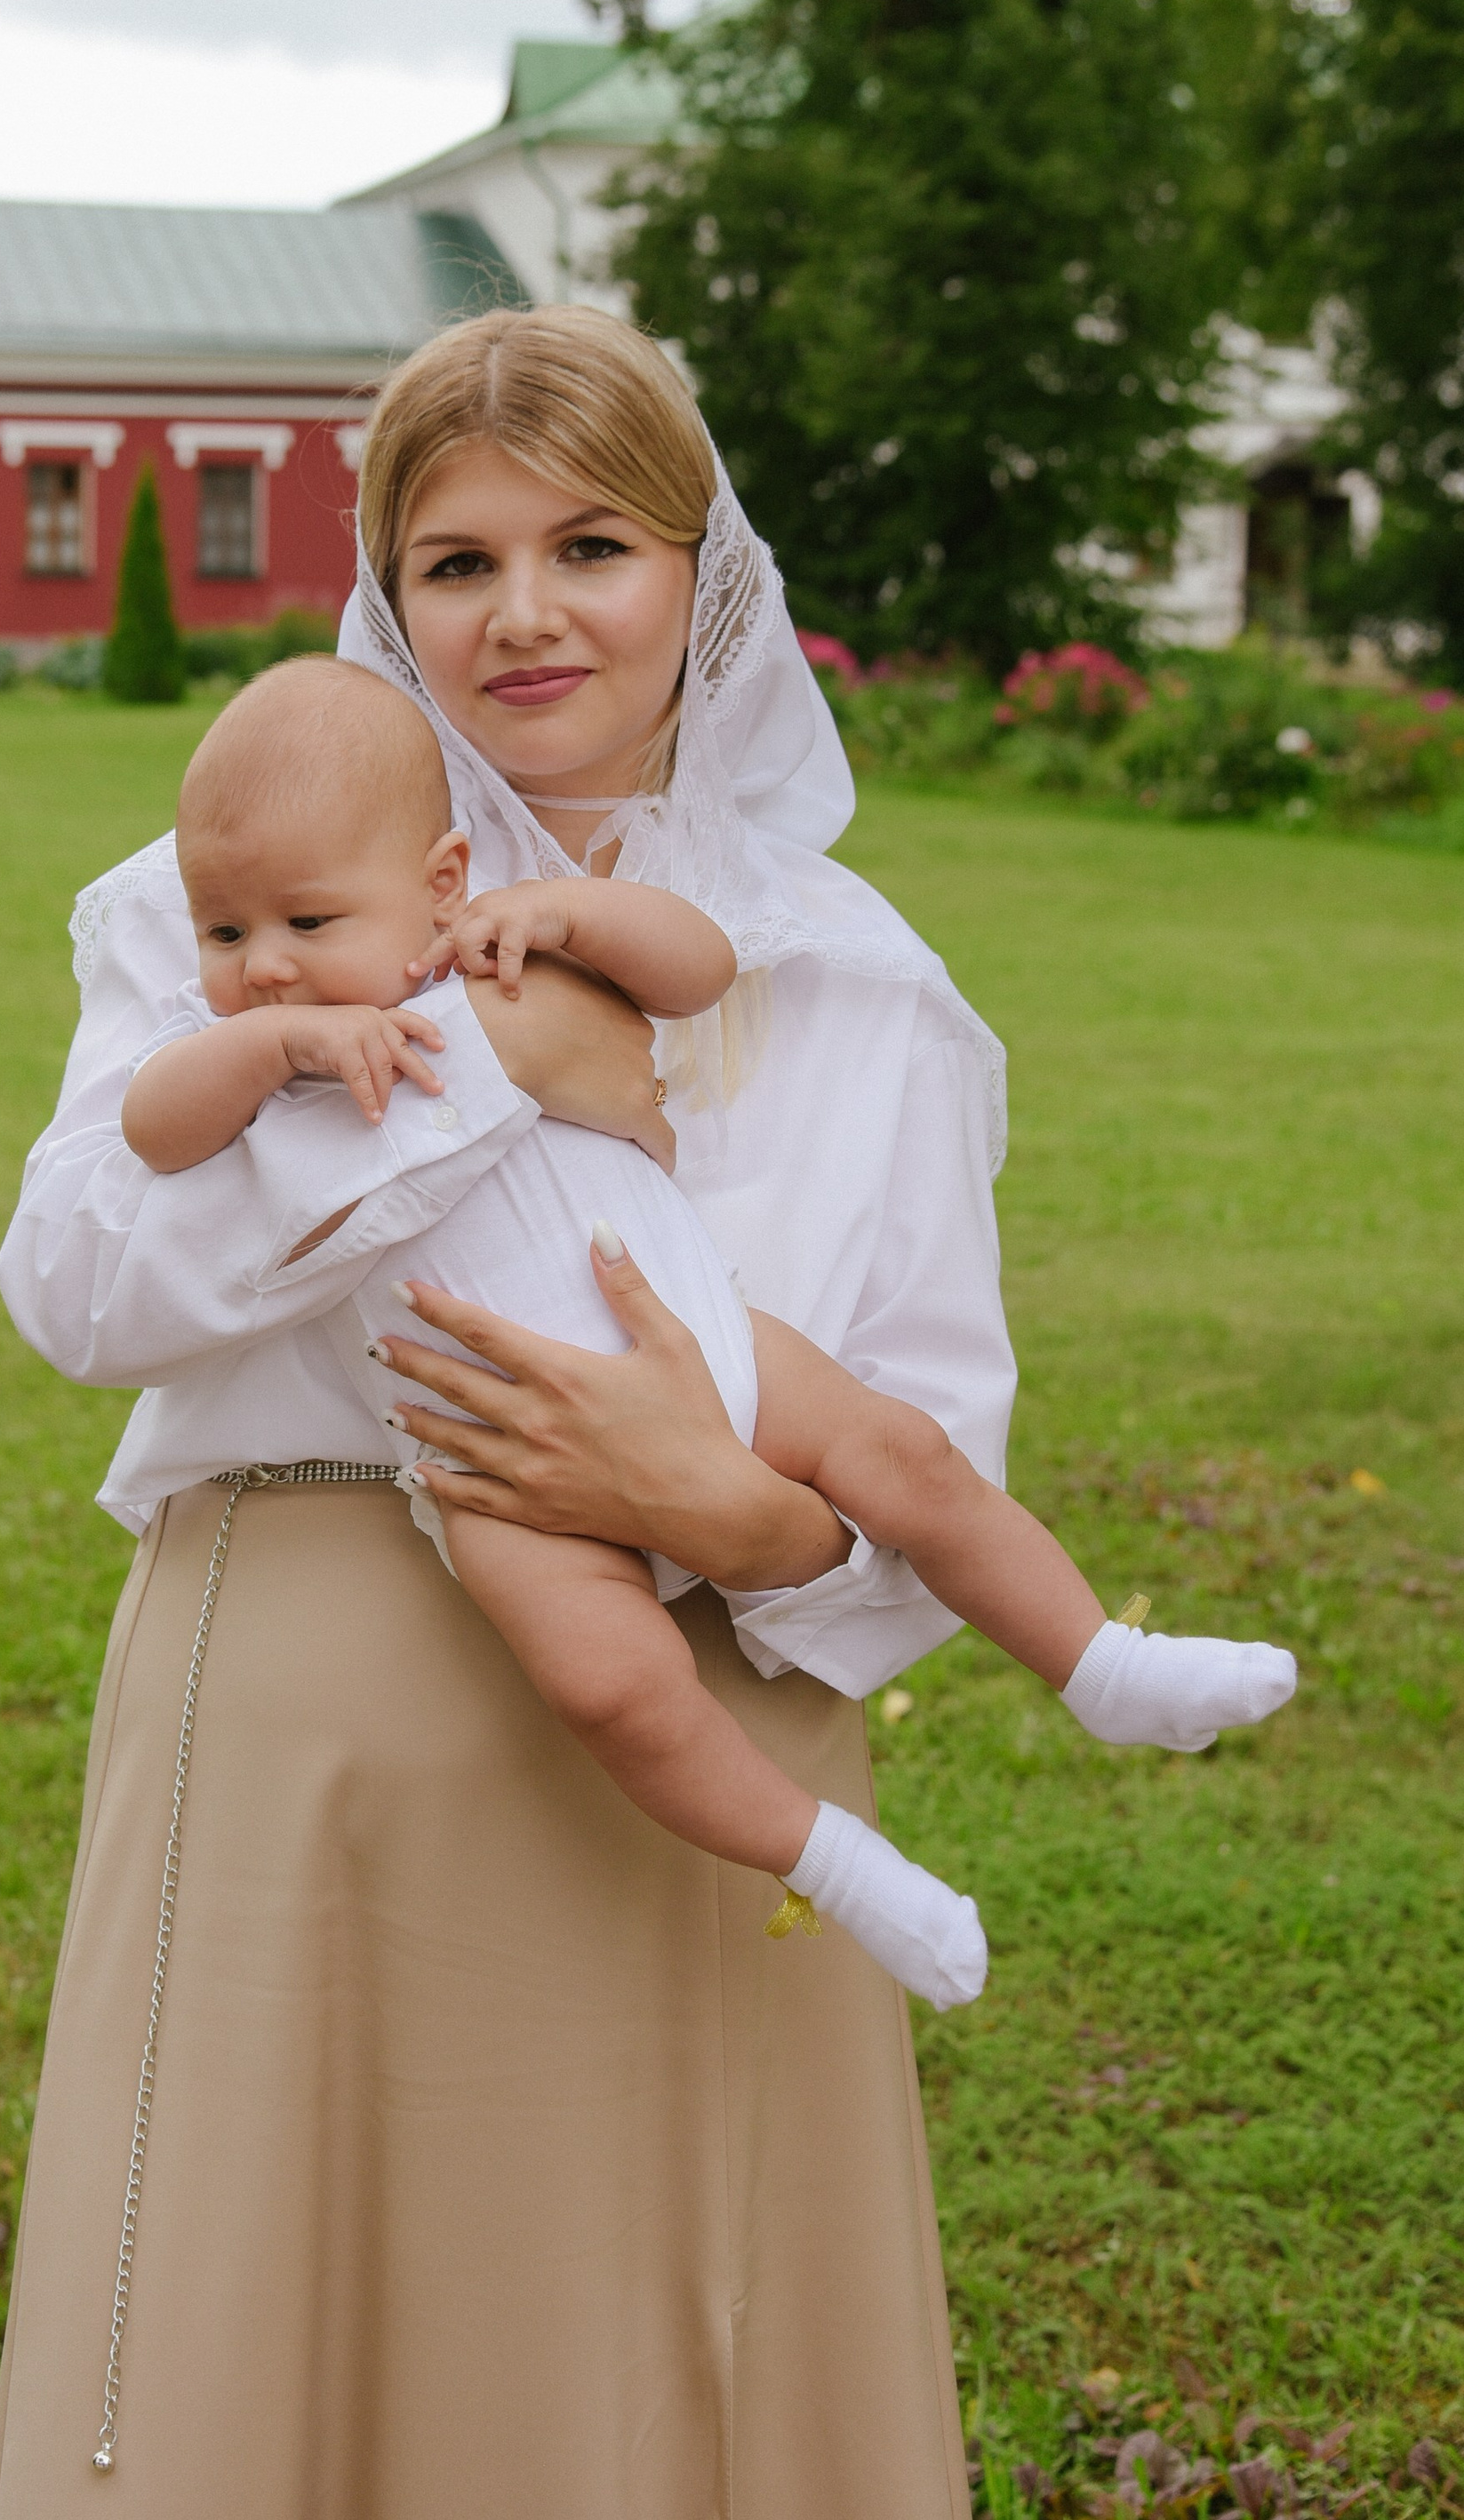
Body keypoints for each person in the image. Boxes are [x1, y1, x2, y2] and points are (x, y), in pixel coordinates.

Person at [0, 306, 1100, 2517]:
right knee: (268, 2325)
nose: (520, 613)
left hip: (707, 1722)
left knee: (658, 2332)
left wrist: (737, 1512)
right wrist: (505, 1077)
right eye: (453, 559)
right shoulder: (211, 899)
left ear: (703, 569)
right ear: (384, 590)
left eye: (588, 543)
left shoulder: (854, 978)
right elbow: (82, 1284)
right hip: (307, 1707)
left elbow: (926, 1419)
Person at [116, 653, 1292, 2014]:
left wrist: (564, 911)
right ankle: (839, 1864)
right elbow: (153, 1124)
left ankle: (1103, 1664)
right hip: (493, 1455)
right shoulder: (273, 1064)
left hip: (715, 1345)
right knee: (615, 1691)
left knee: (906, 1459)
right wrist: (278, 1052)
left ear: (440, 884)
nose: (263, 968)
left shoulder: (496, 955)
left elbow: (700, 965)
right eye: (221, 935)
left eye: (307, 920)